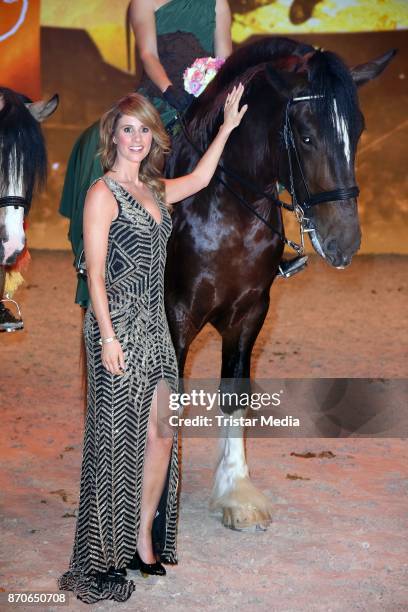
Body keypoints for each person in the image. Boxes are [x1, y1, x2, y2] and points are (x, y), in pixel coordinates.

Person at [57, 85, 247, 604]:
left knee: (161, 433)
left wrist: (228, 126)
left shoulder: (155, 189)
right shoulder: (102, 194)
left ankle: (142, 532)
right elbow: (94, 275)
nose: (137, 138)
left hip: (157, 329)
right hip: (116, 326)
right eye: (128, 130)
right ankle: (105, 553)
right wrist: (109, 338)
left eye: (144, 129)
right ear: (112, 137)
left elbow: (204, 178)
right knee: (115, 445)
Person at [60, 0, 232, 309]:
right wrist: (173, 93)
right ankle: (93, 255)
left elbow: (226, 59)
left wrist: (218, 98)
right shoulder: (143, 3)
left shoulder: (218, 4)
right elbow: (148, 54)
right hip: (162, 95)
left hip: (207, 100)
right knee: (106, 147)